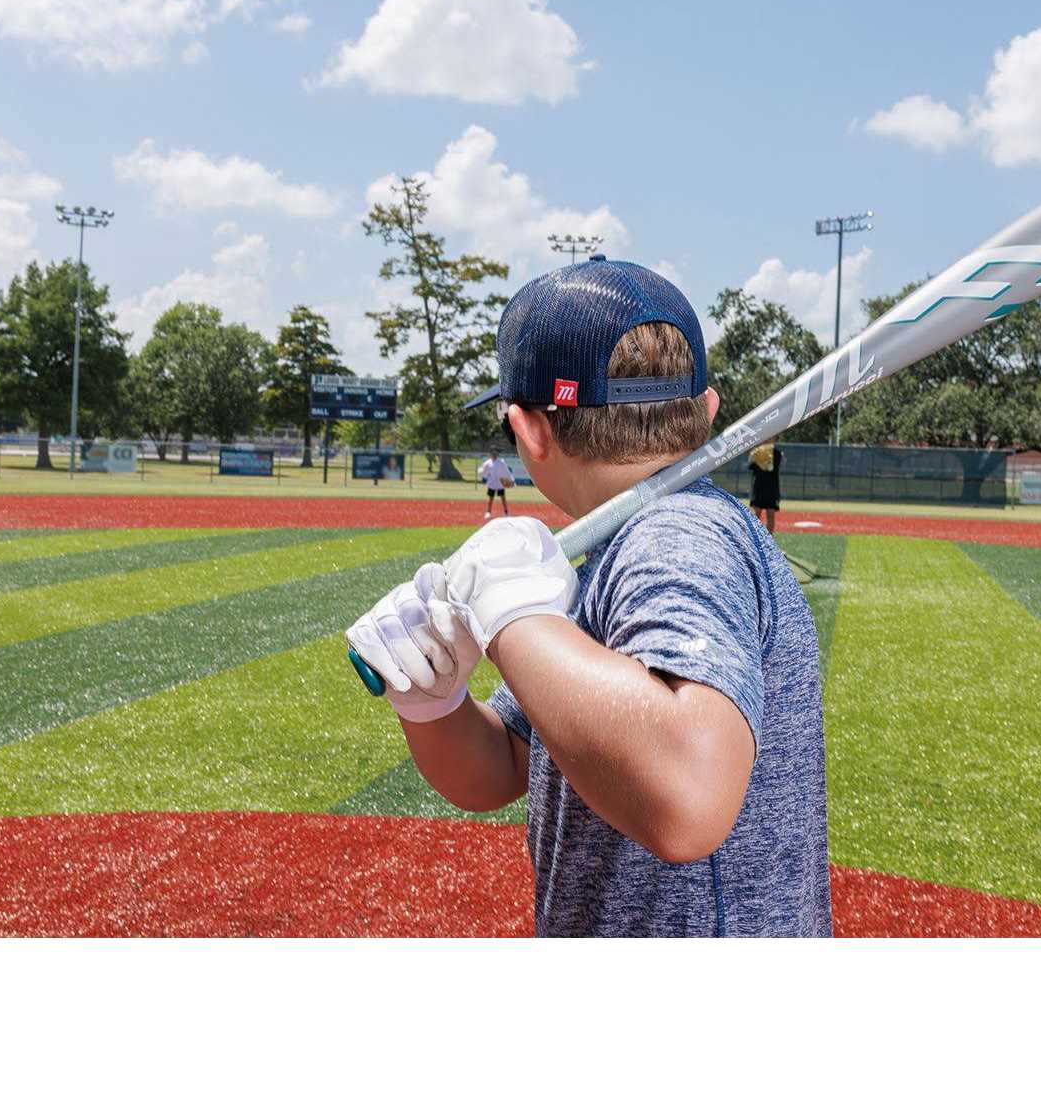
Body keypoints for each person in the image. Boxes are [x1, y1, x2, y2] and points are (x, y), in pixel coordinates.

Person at [345, 256, 831, 938]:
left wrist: (513, 616)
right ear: (707, 409)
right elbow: (504, 764)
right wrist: (433, 702)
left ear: (528, 430)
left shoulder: (676, 536)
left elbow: (687, 799)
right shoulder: (617, 552)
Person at [748, 441, 782, 533]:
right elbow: (750, 466)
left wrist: (766, 458)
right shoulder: (756, 452)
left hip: (772, 488)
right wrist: (754, 457)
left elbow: (773, 468)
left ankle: (769, 538)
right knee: (756, 514)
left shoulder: (776, 453)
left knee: (770, 514)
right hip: (758, 487)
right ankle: (754, 537)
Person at [477, 446, 514, 520]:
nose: (494, 454)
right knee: (491, 499)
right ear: (490, 454)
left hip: (500, 483)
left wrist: (511, 479)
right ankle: (488, 512)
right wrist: (481, 472)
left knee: (503, 498)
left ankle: (506, 512)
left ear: (498, 454)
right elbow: (483, 470)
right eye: (493, 453)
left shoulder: (501, 462)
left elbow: (506, 471)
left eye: (496, 453)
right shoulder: (488, 463)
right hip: (492, 483)